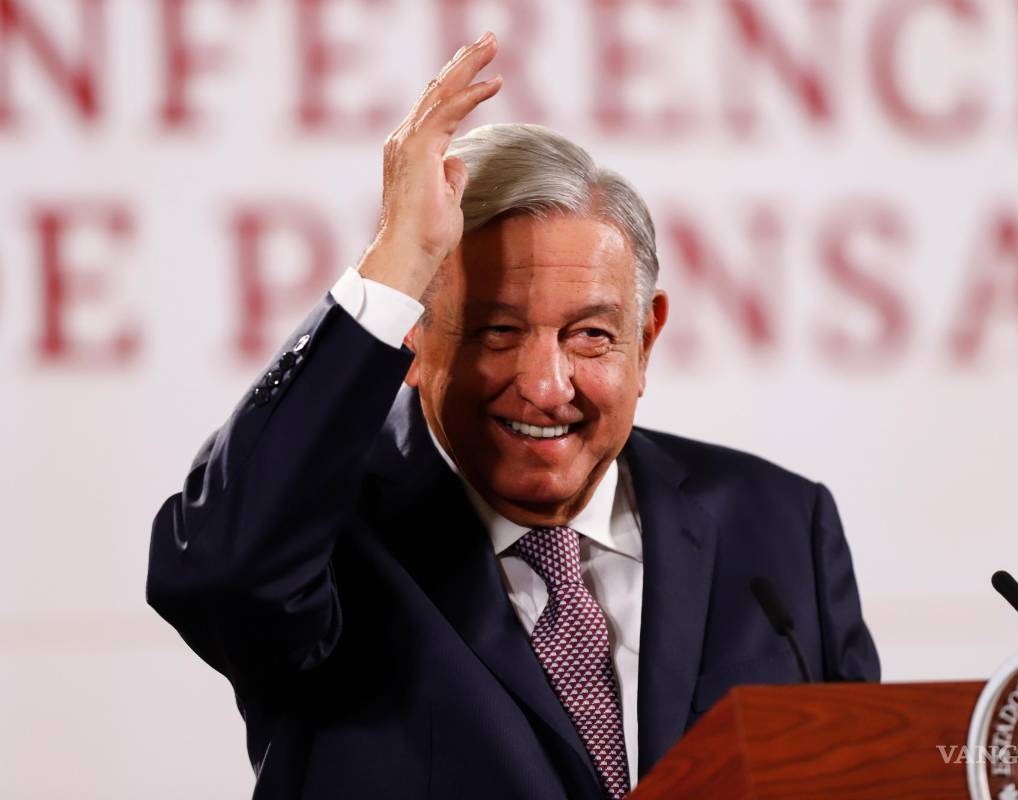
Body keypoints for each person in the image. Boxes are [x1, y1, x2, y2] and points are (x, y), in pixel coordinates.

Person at [146, 32, 879, 800]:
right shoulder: (326, 536)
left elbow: (862, 774)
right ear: (417, 333)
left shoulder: (780, 524)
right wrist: (395, 260)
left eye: (590, 336)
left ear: (647, 337)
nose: (545, 386)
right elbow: (221, 573)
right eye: (497, 332)